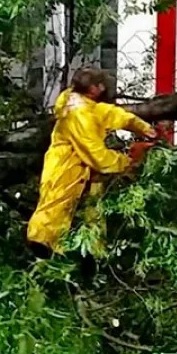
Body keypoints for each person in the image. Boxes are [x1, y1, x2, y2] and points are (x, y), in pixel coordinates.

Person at [27, 68, 157, 257]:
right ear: (94, 88)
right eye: (101, 85)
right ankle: (42, 248)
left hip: (77, 167)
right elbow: (97, 155)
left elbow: (110, 114)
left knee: (87, 210)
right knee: (56, 205)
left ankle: (90, 254)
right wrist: (126, 163)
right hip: (66, 166)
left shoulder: (81, 103)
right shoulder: (80, 115)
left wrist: (141, 127)